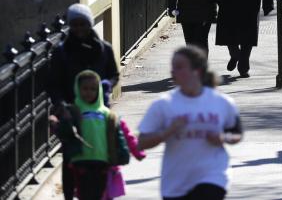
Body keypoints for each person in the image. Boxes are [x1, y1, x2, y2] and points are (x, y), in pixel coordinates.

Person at [137, 46, 243, 200]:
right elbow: (141, 142)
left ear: (197, 71)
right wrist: (167, 132)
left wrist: (223, 138)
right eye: (172, 67)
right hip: (176, 182)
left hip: (213, 176)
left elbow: (236, 134)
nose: (173, 72)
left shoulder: (221, 102)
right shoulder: (163, 105)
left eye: (179, 67)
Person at [48, 3, 119, 200]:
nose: (79, 29)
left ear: (90, 24)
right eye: (75, 25)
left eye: (83, 25)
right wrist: (61, 105)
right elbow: (53, 83)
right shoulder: (62, 52)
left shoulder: (103, 49)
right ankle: (70, 195)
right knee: (71, 157)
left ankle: (99, 193)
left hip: (98, 111)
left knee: (99, 154)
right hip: (72, 112)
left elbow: (114, 74)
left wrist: (106, 85)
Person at [68, 70, 113, 200]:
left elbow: (114, 134)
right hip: (81, 161)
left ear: (98, 90)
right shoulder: (74, 110)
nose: (89, 92)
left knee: (100, 194)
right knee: (85, 194)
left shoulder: (105, 112)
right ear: (78, 89)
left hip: (101, 161)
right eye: (85, 89)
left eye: (93, 89)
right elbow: (64, 133)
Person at [101, 81, 146, 200]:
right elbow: (129, 137)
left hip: (100, 167)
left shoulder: (84, 117)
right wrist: (138, 153)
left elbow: (128, 136)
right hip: (102, 167)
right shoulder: (112, 119)